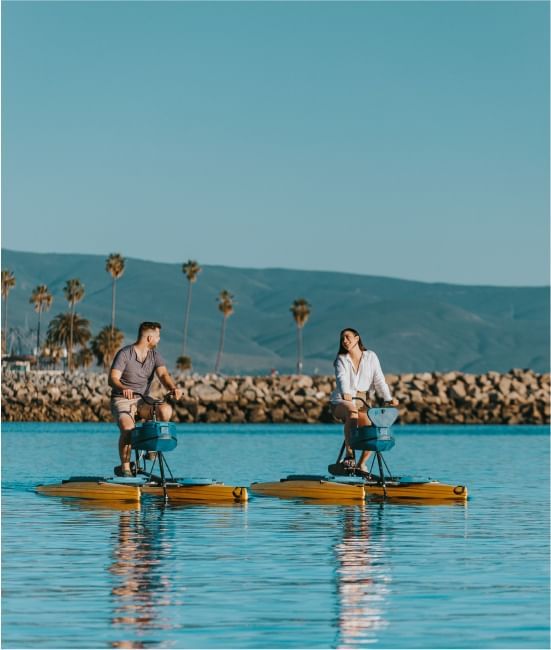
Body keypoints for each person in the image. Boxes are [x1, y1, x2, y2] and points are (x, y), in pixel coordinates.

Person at [109, 321, 182, 477]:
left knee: (165, 409)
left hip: (143, 400)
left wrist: (172, 388)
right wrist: (123, 388)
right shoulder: (125, 353)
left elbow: (163, 375)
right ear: (150, 338)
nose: (159, 340)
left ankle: (151, 449)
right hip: (122, 399)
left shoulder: (155, 356)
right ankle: (126, 469)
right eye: (158, 336)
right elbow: (113, 378)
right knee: (127, 428)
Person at [330, 327, 398, 474]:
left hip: (363, 401)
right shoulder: (341, 359)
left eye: (347, 337)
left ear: (357, 338)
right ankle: (349, 456)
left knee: (374, 428)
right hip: (341, 401)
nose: (344, 341)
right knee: (351, 411)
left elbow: (379, 380)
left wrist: (388, 398)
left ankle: (361, 464)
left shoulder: (371, 356)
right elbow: (341, 378)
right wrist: (346, 393)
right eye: (342, 339)